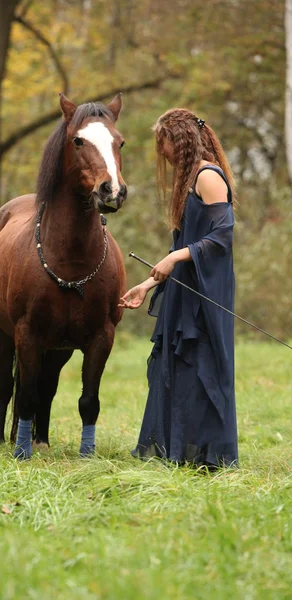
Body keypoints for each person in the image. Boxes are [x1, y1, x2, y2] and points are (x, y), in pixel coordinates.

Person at [119, 108, 238, 469]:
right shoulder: (188, 181)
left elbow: (222, 236)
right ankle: (177, 451)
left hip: (206, 289)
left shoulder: (209, 176)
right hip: (183, 287)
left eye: (164, 142)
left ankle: (208, 455)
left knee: (202, 367)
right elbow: (181, 247)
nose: (162, 151)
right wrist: (145, 283)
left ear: (181, 140)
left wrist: (176, 259)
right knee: (177, 368)